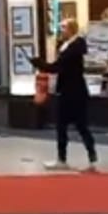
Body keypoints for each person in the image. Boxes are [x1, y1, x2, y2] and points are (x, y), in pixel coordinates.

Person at [32, 19, 98, 172]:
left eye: (63, 27)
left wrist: (40, 64)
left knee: (81, 127)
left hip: (75, 94)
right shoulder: (67, 46)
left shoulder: (75, 47)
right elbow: (57, 66)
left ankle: (92, 161)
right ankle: (62, 159)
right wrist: (40, 64)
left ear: (71, 29)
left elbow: (57, 67)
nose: (61, 30)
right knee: (61, 126)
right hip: (66, 92)